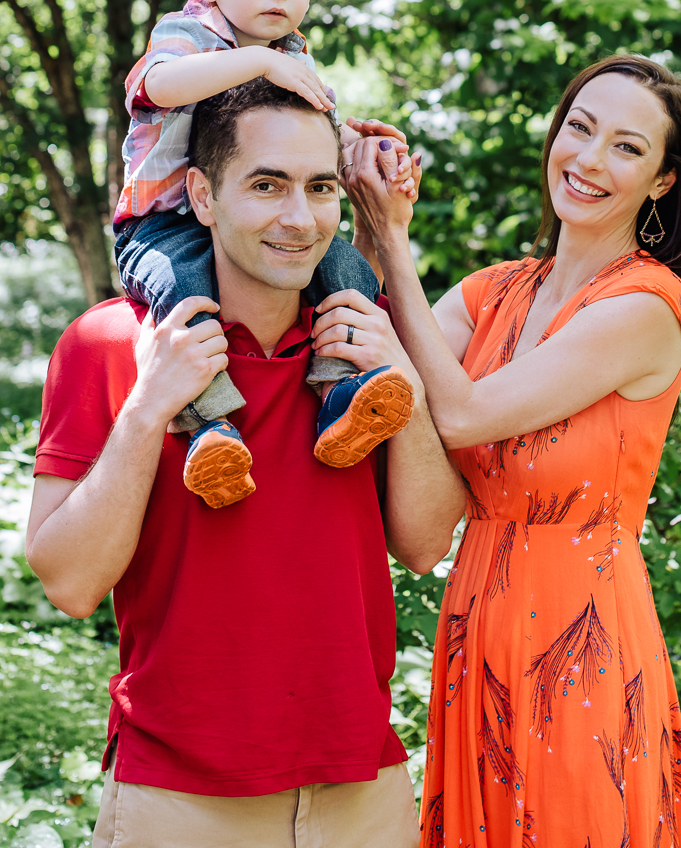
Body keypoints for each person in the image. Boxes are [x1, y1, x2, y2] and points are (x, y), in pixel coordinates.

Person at [26, 77, 466, 848]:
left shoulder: (366, 343)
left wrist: (407, 388)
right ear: (201, 194)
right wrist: (146, 411)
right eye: (267, 186)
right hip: (180, 798)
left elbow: (426, 546)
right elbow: (69, 582)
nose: (299, 219)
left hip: (360, 789)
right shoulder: (108, 346)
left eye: (320, 187)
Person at [333, 54, 681, 848]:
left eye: (625, 147)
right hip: (479, 613)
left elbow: (466, 412)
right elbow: (381, 372)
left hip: (582, 636)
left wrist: (398, 244)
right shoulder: (493, 291)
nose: (586, 159)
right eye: (579, 128)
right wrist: (366, 216)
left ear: (660, 182)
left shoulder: (647, 305)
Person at [111, 0, 416, 507]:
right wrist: (261, 65)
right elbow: (158, 86)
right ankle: (208, 429)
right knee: (187, 296)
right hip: (163, 223)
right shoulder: (187, 34)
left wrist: (361, 141)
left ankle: (339, 392)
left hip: (248, 217)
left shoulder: (290, 52)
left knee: (347, 267)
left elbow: (303, 135)